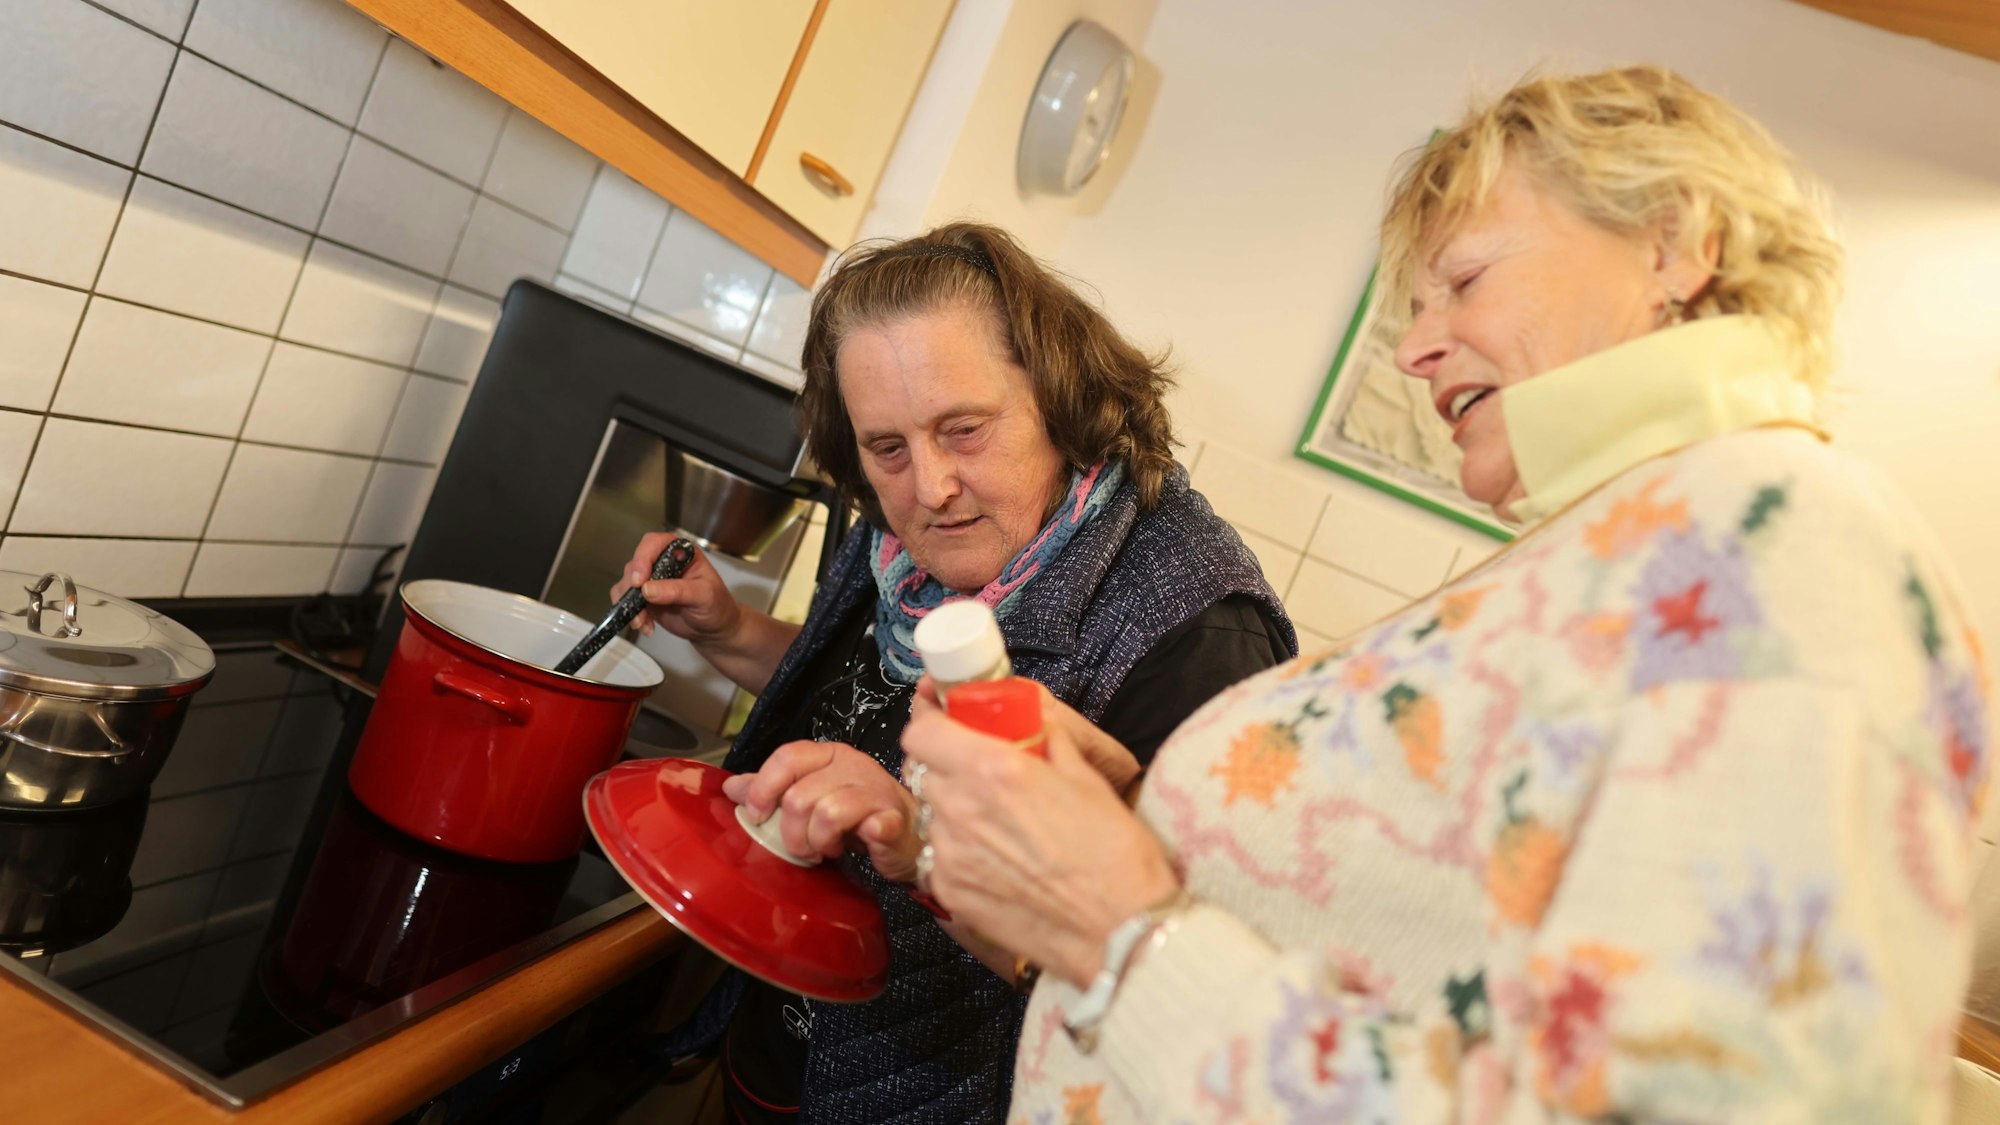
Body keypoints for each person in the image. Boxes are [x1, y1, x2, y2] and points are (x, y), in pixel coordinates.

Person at [899, 66, 1992, 1121]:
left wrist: (1123, 933)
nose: (1416, 349)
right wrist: (1133, 817)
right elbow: (1444, 937)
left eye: (1463, 280)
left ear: (1674, 242)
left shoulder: (1787, 537)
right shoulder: (1635, 538)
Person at [612, 222, 1296, 1123]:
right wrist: (729, 629)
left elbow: (1162, 972)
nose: (930, 485)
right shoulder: (902, 537)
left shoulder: (1197, 627)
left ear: (1057, 397)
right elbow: (857, 696)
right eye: (887, 448)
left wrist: (918, 834)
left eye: (964, 430)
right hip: (781, 1048)